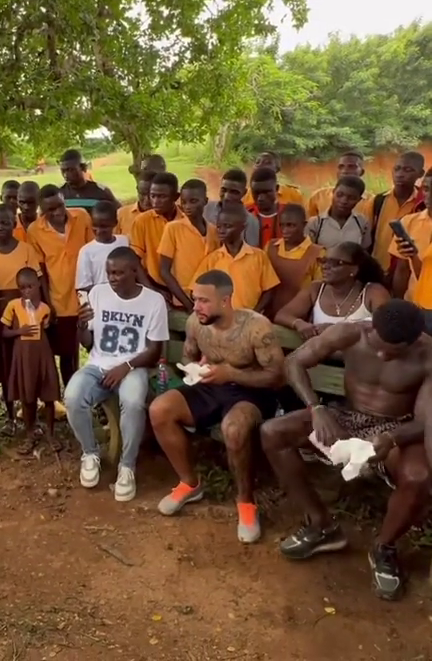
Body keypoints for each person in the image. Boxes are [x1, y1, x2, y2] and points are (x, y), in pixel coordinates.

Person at [261, 301, 432, 601]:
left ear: (412, 342)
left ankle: (384, 547)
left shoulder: (428, 355)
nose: (380, 355)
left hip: (397, 427)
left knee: (417, 476)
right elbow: (294, 362)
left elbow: (425, 420)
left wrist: (391, 437)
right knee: (273, 432)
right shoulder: (351, 333)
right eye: (377, 344)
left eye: (391, 352)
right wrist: (316, 408)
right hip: (347, 417)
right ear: (372, 328)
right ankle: (321, 525)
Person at [149, 269, 284, 541]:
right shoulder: (195, 323)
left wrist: (231, 373)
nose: (196, 306)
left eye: (204, 300)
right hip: (211, 385)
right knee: (159, 409)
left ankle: (245, 501)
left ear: (225, 300)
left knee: (233, 428)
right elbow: (189, 358)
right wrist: (196, 368)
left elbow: (278, 377)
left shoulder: (256, 327)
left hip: (251, 391)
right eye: (195, 299)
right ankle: (190, 483)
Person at [65, 247, 168, 502]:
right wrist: (81, 324)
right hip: (99, 365)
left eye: (119, 273)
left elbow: (154, 350)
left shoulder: (153, 301)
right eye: (109, 272)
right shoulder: (97, 294)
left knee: (133, 402)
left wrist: (126, 367)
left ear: (134, 272)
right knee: (72, 397)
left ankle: (127, 467)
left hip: (134, 366)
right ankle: (90, 453)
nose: (112, 278)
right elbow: (87, 344)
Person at [0, 205, 42, 429]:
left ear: (14, 224)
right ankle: (10, 414)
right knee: (5, 362)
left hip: (25, 309)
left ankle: (30, 412)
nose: (0, 227)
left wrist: (38, 310)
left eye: (5, 222)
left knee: (25, 359)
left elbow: (36, 281)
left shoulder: (26, 249)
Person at [27, 185, 93, 386]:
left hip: (88, 299)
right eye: (50, 210)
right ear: (41, 210)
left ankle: (98, 399)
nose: (57, 213)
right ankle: (72, 396)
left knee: (96, 349)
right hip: (60, 301)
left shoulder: (81, 217)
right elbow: (41, 271)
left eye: (60, 206)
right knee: (67, 354)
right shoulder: (35, 230)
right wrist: (48, 304)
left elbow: (93, 252)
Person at [275, 242, 390, 338]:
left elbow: (387, 325)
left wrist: (337, 330)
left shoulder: (373, 292)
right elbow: (282, 315)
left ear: (354, 270)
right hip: (319, 359)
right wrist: (298, 323)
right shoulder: (316, 288)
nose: (325, 266)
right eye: (324, 261)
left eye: (335, 263)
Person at [1, 267, 60, 453]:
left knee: (49, 394)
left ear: (38, 286)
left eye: (30, 287)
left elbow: (48, 327)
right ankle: (30, 434)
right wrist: (20, 331)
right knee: (27, 397)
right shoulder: (13, 306)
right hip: (23, 355)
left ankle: (51, 433)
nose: (26, 291)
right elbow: (4, 331)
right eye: (22, 288)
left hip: (42, 353)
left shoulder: (45, 309)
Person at [193, 201, 279, 313]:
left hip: (248, 318)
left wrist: (255, 312)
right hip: (219, 319)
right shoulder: (212, 259)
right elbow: (196, 289)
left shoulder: (258, 256)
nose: (221, 231)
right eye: (219, 226)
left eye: (227, 226)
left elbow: (270, 289)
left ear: (242, 227)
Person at [158, 178, 219, 312]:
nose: (187, 206)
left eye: (193, 201)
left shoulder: (213, 231)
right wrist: (188, 304)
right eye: (184, 202)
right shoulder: (173, 228)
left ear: (205, 201)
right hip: (183, 302)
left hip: (210, 301)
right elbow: (164, 271)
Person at [360, 151, 425, 273]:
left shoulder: (422, 205)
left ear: (420, 174)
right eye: (397, 169)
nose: (400, 174)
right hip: (377, 270)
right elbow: (365, 239)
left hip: (407, 273)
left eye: (408, 170)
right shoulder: (377, 201)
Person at [266, 204, 323, 319]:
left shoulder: (317, 253)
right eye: (282, 225)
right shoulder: (271, 247)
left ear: (304, 225)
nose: (284, 230)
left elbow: (319, 291)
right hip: (269, 315)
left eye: (291, 225)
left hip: (299, 318)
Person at [130, 171, 184, 293]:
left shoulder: (185, 220)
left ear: (175, 197)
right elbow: (135, 262)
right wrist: (151, 291)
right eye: (153, 196)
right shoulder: (142, 221)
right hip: (155, 286)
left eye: (162, 196)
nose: (155, 201)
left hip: (183, 288)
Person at [390, 169, 432, 310]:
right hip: (414, 305)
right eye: (426, 189)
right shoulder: (409, 222)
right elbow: (402, 269)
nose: (429, 196)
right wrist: (398, 303)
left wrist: (413, 256)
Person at [75, 200, 129, 292]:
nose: (99, 231)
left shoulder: (125, 241)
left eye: (104, 226)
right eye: (95, 225)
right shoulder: (86, 251)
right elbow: (83, 286)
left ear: (115, 223)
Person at [306, 176, 370, 251]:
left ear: (359, 200)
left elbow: (364, 252)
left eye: (351, 198)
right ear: (333, 192)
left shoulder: (362, 223)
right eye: (339, 195)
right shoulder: (315, 223)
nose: (344, 201)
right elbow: (308, 253)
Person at [203, 168, 260, 246]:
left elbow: (251, 252)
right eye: (224, 190)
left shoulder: (250, 221)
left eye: (234, 192)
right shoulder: (205, 209)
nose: (227, 196)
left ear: (244, 192)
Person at [306, 151, 367, 218]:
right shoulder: (318, 197)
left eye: (351, 167)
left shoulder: (372, 202)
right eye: (341, 167)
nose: (344, 171)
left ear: (362, 172)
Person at [59, 148, 118, 213]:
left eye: (70, 170)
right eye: (63, 171)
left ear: (83, 168)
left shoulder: (101, 192)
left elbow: (119, 214)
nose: (66, 175)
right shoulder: (59, 194)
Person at [247, 166, 285, 248]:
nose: (261, 198)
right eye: (256, 192)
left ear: (277, 189)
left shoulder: (290, 214)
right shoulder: (244, 214)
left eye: (266, 192)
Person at [116, 171, 153, 237]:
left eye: (151, 195)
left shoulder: (164, 217)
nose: (147, 199)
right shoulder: (122, 214)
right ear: (137, 190)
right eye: (142, 194)